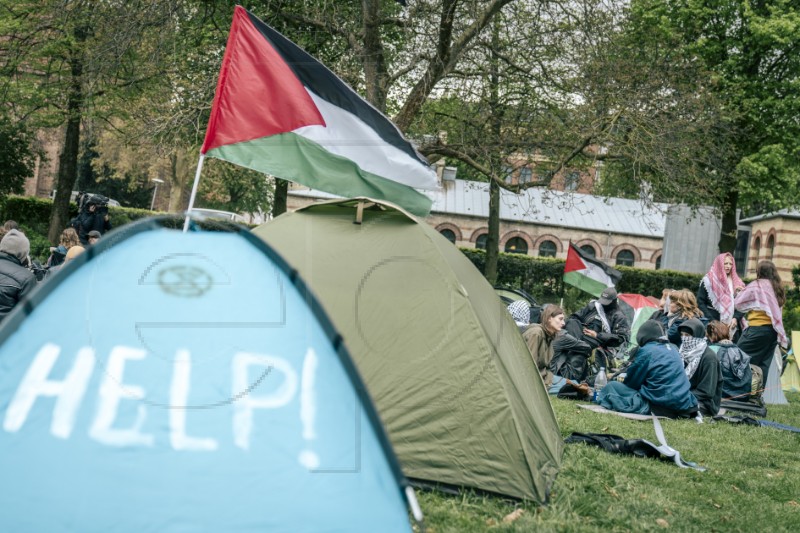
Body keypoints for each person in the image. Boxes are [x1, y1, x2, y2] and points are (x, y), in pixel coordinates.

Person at [599, 320, 698, 418]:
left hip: (660, 404)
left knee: (612, 386)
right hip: (683, 403)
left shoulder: (647, 350)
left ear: (643, 336)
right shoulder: (674, 348)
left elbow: (632, 382)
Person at [735, 260, 787, 386]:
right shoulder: (777, 287)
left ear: (759, 271)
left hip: (757, 329)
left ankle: (739, 389)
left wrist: (738, 292)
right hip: (773, 332)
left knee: (738, 357)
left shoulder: (756, 285)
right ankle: (757, 394)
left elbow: (738, 303)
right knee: (764, 364)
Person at [522, 304, 589, 396]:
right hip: (535, 381)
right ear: (549, 318)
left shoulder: (550, 335)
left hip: (546, 377)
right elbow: (528, 365)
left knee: (576, 384)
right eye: (560, 319)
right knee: (574, 390)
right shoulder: (536, 333)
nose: (563, 323)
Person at [565, 287, 630, 367]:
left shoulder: (619, 316)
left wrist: (597, 335)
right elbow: (575, 316)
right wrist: (581, 327)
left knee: (577, 355)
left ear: (614, 301)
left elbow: (620, 338)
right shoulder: (593, 306)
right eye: (602, 301)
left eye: (606, 302)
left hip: (598, 342)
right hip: (579, 335)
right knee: (570, 322)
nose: (603, 304)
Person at [678, 318, 722, 416]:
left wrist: (680, 395)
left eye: (687, 335)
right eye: (682, 335)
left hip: (705, 403)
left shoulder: (709, 358)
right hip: (685, 394)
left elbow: (707, 392)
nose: (684, 338)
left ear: (697, 336)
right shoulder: (681, 353)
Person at [697, 253, 745, 338]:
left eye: (730, 264)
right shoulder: (708, 280)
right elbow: (700, 302)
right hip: (712, 323)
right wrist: (712, 320)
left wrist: (735, 318)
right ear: (719, 264)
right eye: (725, 263)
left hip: (732, 325)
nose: (728, 266)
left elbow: (742, 304)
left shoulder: (738, 282)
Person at [706, 320, 753, 401]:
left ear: (711, 335)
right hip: (743, 396)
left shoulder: (711, 350)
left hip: (722, 395)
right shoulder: (740, 351)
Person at [0, 229, 37, 322]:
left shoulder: (25, 278)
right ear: (24, 253)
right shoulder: (27, 278)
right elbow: (30, 316)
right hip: (7, 334)